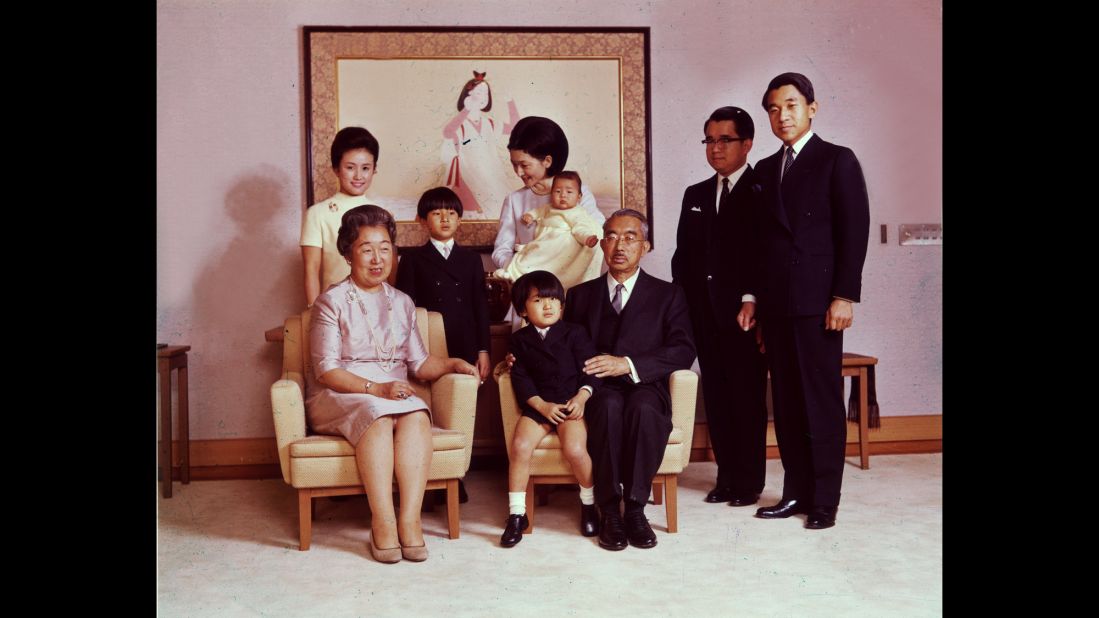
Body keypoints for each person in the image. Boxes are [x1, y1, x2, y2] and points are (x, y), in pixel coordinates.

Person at [306, 205, 478, 562]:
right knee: (379, 413)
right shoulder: (331, 301)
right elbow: (325, 370)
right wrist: (378, 389)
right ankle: (382, 521)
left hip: (392, 393)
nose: (377, 258)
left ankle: (409, 521)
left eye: (385, 248)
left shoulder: (402, 303)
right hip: (341, 392)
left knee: (416, 413)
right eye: (366, 248)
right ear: (348, 253)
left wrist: (452, 363)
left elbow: (420, 364)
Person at [748, 72, 870, 530]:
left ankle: (825, 501)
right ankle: (795, 493)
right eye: (774, 109)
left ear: (812, 108)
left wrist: (844, 295)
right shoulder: (764, 169)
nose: (783, 116)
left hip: (820, 303)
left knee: (820, 402)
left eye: (792, 106)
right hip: (778, 306)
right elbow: (762, 246)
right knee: (789, 403)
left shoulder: (837, 160)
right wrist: (760, 306)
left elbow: (853, 232)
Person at [562, 209, 696, 551]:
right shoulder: (580, 295)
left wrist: (629, 364)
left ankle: (635, 508)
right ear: (602, 244)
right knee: (606, 408)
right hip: (596, 388)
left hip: (645, 383)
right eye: (611, 237)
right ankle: (610, 510)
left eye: (630, 237)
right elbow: (562, 346)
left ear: (645, 246)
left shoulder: (668, 294)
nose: (619, 245)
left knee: (644, 410)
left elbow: (683, 349)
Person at [671, 106, 769, 508]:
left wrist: (753, 298)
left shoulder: (763, 188)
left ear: (746, 144)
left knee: (747, 398)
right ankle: (726, 478)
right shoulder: (695, 194)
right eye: (709, 140)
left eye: (724, 140)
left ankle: (749, 483)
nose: (715, 148)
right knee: (718, 398)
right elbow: (683, 258)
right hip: (702, 315)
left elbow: (766, 254)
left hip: (745, 315)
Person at [500, 270, 601, 547]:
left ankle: (589, 504)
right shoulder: (519, 341)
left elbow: (591, 371)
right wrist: (541, 406)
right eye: (538, 300)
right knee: (520, 446)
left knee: (576, 449)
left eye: (554, 299)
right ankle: (517, 514)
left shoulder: (575, 333)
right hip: (539, 404)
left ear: (561, 304)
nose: (548, 305)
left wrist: (581, 397)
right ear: (522, 309)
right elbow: (520, 379)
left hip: (570, 403)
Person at [395, 187, 492, 382]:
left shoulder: (471, 259)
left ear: (460, 219)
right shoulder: (412, 259)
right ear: (422, 220)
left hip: (466, 340)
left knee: (463, 400)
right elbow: (403, 310)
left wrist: (483, 350)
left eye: (451, 213)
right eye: (437, 213)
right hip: (429, 341)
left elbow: (480, 307)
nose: (445, 219)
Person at [492, 116, 605, 273]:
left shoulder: (579, 194)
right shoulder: (514, 200)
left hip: (573, 284)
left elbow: (597, 232)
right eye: (514, 164)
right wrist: (518, 270)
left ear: (547, 161)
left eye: (524, 165)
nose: (518, 172)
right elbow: (501, 250)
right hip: (530, 287)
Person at [300, 126, 381, 307]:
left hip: (376, 306)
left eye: (366, 168)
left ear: (374, 169)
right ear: (336, 169)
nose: (359, 176)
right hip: (334, 306)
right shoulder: (317, 213)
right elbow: (311, 270)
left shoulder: (382, 212)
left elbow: (389, 271)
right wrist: (315, 312)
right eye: (350, 167)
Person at [493, 171, 603, 291]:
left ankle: (515, 274)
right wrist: (530, 216)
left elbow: (580, 229)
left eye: (569, 192)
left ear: (579, 197)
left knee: (544, 264)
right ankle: (512, 273)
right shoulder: (548, 207)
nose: (563, 195)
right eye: (557, 192)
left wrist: (587, 238)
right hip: (542, 241)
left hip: (555, 247)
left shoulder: (577, 212)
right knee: (529, 258)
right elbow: (538, 212)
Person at [441, 71, 520, 219]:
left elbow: (516, 126)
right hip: (468, 172)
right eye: (478, 92)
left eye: (485, 93)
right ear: (467, 96)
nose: (482, 97)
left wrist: (510, 102)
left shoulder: (489, 123)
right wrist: (466, 110)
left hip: (490, 172)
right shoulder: (460, 122)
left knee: (503, 209)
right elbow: (448, 132)